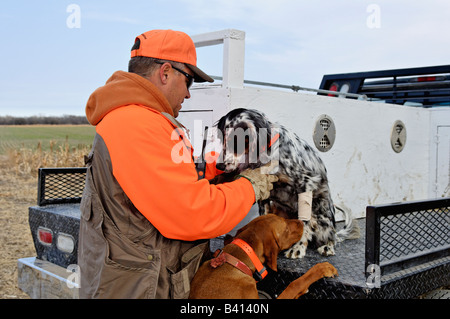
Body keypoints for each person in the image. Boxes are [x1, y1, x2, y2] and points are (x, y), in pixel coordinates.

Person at [78, 29, 278, 299]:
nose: (188, 94)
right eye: (190, 81)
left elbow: (168, 177)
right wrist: (251, 186)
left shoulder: (135, 118)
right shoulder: (137, 125)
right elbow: (194, 214)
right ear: (165, 72)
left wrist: (219, 166)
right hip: (139, 288)